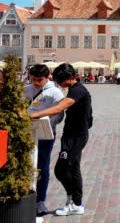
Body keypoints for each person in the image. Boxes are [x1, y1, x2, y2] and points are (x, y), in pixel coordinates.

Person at [29, 63, 93, 216]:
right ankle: (75, 203)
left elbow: (59, 108)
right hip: (72, 135)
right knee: (72, 168)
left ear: (70, 78)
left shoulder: (78, 90)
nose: (58, 84)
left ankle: (75, 202)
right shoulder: (74, 89)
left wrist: (33, 115)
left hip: (76, 137)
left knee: (61, 169)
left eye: (60, 81)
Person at [25, 65, 65, 216]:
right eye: (33, 79)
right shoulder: (26, 89)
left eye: (39, 80)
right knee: (26, 164)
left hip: (45, 134)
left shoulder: (55, 93)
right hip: (27, 133)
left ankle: (40, 200)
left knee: (42, 166)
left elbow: (60, 115)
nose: (35, 83)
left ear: (47, 76)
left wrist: (46, 121)